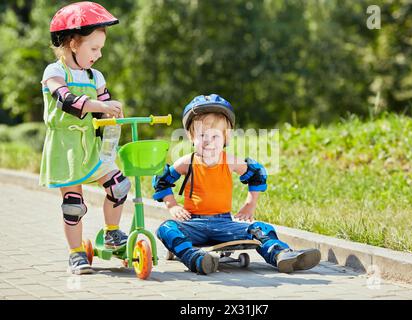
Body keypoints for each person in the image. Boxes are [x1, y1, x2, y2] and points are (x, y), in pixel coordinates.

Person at [152, 94, 321, 275]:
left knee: (262, 229)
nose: (209, 142)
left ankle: (281, 255)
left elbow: (257, 175)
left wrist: (250, 205)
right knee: (165, 229)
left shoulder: (230, 161)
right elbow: (161, 180)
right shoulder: (187, 162)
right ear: (191, 136)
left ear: (226, 137)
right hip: (194, 224)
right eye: (202, 135)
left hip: (225, 223)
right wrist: (173, 205)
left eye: (215, 136)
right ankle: (196, 259)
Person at [39, 2, 130, 275]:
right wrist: (101, 106)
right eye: (94, 48)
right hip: (65, 146)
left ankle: (112, 232)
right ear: (72, 43)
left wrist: (113, 116)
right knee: (73, 205)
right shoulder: (54, 72)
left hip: (91, 145)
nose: (99, 55)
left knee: (119, 187)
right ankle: (76, 254)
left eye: (101, 49)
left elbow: (103, 115)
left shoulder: (96, 76)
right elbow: (67, 101)